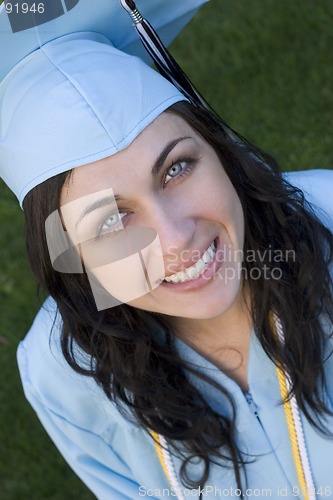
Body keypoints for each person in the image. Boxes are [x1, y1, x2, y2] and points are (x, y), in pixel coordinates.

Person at [1, 1, 333, 499]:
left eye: (176, 168)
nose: (176, 238)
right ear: (70, 254)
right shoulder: (63, 377)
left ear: (218, 152)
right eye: (112, 219)